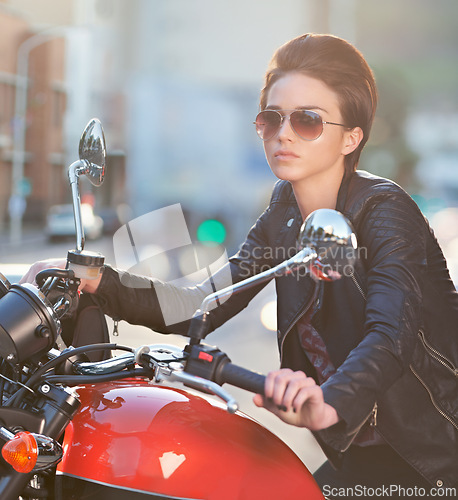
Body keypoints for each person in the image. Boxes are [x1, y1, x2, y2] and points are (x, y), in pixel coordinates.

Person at [22, 34, 457, 494]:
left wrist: (330, 403)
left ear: (351, 138)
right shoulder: (285, 212)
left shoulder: (385, 210)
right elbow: (200, 304)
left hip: (433, 459)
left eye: (307, 121)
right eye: (272, 118)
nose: (283, 133)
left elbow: (392, 332)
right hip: (362, 455)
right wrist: (92, 279)